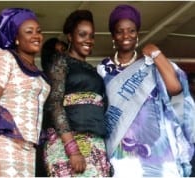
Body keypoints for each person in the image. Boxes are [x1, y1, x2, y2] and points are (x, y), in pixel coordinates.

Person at [97, 4, 195, 177]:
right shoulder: (103, 71)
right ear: (113, 36)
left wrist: (157, 54)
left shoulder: (151, 64)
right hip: (121, 155)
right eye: (120, 31)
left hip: (159, 152)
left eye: (131, 31)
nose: (126, 36)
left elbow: (176, 92)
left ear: (137, 34)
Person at [0, 8, 50, 177]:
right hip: (1, 144)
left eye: (38, 31)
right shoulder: (3, 56)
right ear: (15, 37)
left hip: (27, 149)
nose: (36, 36)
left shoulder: (37, 70)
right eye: (29, 32)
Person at [43, 10, 111, 177]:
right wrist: (72, 149)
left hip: (95, 140)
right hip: (69, 141)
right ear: (70, 37)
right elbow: (55, 103)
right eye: (82, 34)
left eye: (91, 36)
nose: (89, 40)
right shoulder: (61, 61)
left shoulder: (93, 70)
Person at [35, 37, 67, 177]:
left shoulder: (73, 79)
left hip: (69, 137)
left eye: (64, 52)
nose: (61, 56)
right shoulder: (38, 80)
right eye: (57, 52)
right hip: (43, 138)